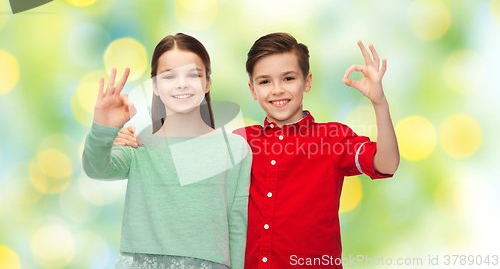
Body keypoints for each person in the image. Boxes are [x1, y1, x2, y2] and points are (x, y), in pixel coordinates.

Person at [115, 32, 400, 269]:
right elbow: (172, 174)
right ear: (252, 89)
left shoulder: (332, 137)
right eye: (265, 81)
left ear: (307, 81)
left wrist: (379, 103)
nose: (277, 90)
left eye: (289, 78)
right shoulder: (238, 143)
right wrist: (132, 140)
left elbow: (386, 164)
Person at [82, 33, 251, 269]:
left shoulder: (233, 148)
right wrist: (104, 128)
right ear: (155, 86)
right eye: (169, 76)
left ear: (208, 83)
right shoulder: (137, 146)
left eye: (193, 74)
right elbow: (95, 167)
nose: (182, 83)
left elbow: (237, 224)